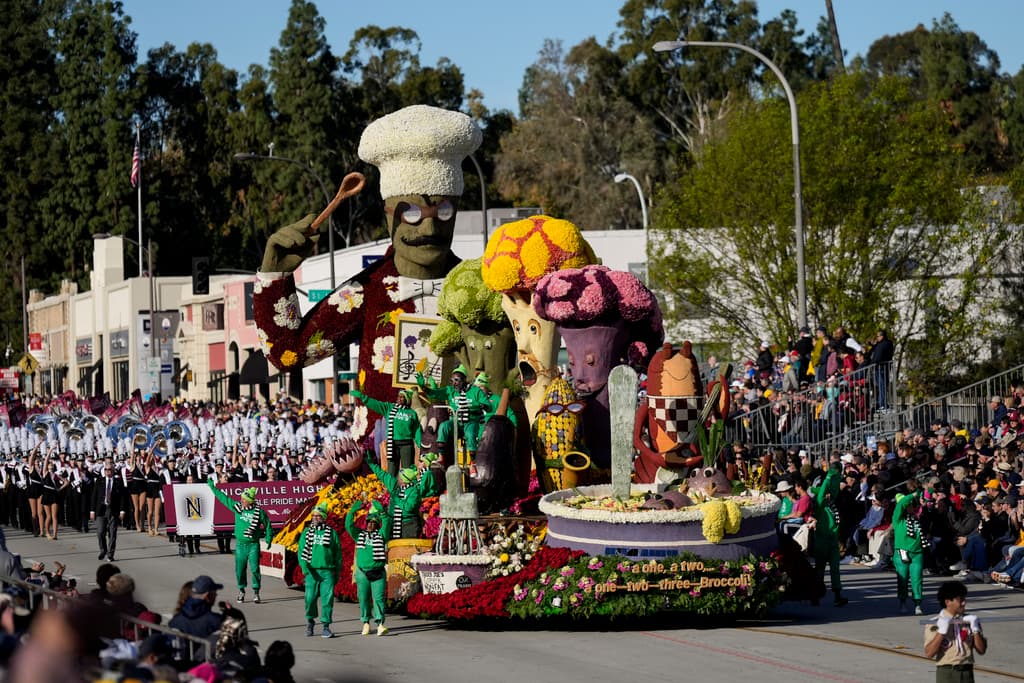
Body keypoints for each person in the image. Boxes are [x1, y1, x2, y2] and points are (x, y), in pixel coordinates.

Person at [253, 105, 482, 445]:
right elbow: (288, 353)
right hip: (380, 468)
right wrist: (275, 277)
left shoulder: (476, 289)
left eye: (444, 209)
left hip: (464, 460)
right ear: (388, 213)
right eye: (413, 212)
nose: (430, 227)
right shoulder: (367, 290)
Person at [207, 481, 273, 604]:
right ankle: (241, 590)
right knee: (240, 570)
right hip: (240, 545)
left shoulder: (259, 512)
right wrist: (212, 487)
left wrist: (269, 539)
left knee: (254, 569)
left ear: (251, 500)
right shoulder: (237, 507)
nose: (242, 500)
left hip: (253, 545)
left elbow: (268, 525)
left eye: (244, 499)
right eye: (241, 498)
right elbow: (223, 498)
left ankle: (256, 592)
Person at [417, 364, 490, 467]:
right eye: (452, 380)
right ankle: (441, 458)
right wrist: (424, 387)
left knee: (470, 434)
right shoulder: (450, 390)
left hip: (470, 422)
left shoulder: (475, 391)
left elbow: (487, 404)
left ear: (464, 379)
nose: (454, 383)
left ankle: (473, 463)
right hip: (455, 422)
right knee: (443, 427)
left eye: (457, 380)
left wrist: (479, 406)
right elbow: (434, 394)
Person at [351, 387, 421, 478]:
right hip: (393, 444)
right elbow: (376, 404)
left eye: (402, 397)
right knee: (392, 472)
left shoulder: (412, 413)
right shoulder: (389, 408)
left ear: (407, 399)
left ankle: (408, 491)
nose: (399, 398)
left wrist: (421, 444)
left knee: (408, 472)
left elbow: (417, 430)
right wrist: (364, 397)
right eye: (398, 396)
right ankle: (392, 490)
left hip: (407, 445)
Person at [924, 581, 986, 683]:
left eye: (964, 599)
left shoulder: (969, 620)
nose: (964, 603)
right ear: (948, 602)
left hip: (967, 672)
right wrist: (941, 632)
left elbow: (981, 650)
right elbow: (929, 653)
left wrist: (975, 629)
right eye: (960, 600)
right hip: (947, 673)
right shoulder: (935, 623)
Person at [346, 498, 391, 636]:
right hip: (362, 573)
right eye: (369, 522)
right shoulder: (359, 535)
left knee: (378, 599)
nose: (370, 524)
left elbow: (387, 524)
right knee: (364, 598)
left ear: (377, 525)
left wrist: (382, 512)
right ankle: (366, 622)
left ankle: (380, 624)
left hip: (378, 573)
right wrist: (352, 511)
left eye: (373, 522)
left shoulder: (381, 535)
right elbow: (349, 526)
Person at [298, 503, 341, 639]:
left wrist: (337, 573)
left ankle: (326, 627)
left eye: (318, 516)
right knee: (309, 599)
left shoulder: (332, 533)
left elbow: (337, 555)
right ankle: (310, 621)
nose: (315, 518)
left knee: (327, 600)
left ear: (323, 517)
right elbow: (300, 552)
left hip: (327, 572)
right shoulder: (307, 532)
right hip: (311, 572)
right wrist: (304, 569)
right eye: (314, 516)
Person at [810, 465, 848, 607]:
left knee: (835, 569)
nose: (828, 493)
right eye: (825, 491)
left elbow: (835, 489)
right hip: (821, 540)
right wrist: (827, 478)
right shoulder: (819, 504)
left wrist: (836, 475)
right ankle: (815, 596)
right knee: (819, 570)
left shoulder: (831, 502)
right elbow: (821, 494)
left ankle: (837, 596)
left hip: (832, 540)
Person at [894, 481, 926, 615]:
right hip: (902, 552)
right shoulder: (898, 519)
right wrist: (912, 495)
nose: (910, 506)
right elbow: (901, 504)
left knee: (917, 579)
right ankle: (902, 602)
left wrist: (920, 492)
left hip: (917, 553)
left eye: (911, 505)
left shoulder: (916, 518)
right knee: (903, 579)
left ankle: (918, 604)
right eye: (908, 505)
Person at [89, 462, 125, 561]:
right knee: (100, 532)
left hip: (113, 509)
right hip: (101, 509)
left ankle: (110, 554)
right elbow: (94, 496)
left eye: (109, 470)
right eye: (105, 470)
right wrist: (92, 510)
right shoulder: (99, 481)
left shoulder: (118, 481)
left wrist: (122, 510)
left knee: (112, 533)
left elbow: (122, 497)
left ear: (113, 471)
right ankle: (103, 550)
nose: (107, 471)